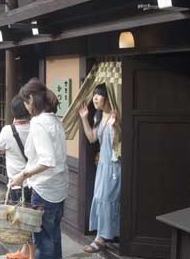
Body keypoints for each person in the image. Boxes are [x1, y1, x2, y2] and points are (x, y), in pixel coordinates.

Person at [10, 78, 69, 259]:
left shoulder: (38, 123)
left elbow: (47, 160)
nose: (26, 107)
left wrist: (23, 174)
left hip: (44, 190)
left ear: (31, 100)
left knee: (43, 243)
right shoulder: (55, 120)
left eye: (26, 102)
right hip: (59, 188)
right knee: (54, 237)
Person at [79, 84, 121, 253]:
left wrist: (116, 125)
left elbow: (120, 141)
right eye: (94, 95)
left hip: (115, 165)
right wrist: (84, 117)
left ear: (108, 96)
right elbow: (91, 138)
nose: (95, 98)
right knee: (102, 198)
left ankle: (101, 238)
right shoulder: (100, 116)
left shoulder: (116, 115)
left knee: (107, 199)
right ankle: (108, 234)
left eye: (99, 95)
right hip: (103, 165)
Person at [0, 95, 33, 259]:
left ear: (14, 112)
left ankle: (32, 256)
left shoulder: (7, 130)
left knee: (24, 223)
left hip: (16, 184)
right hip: (33, 183)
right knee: (31, 219)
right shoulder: (34, 128)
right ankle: (25, 252)